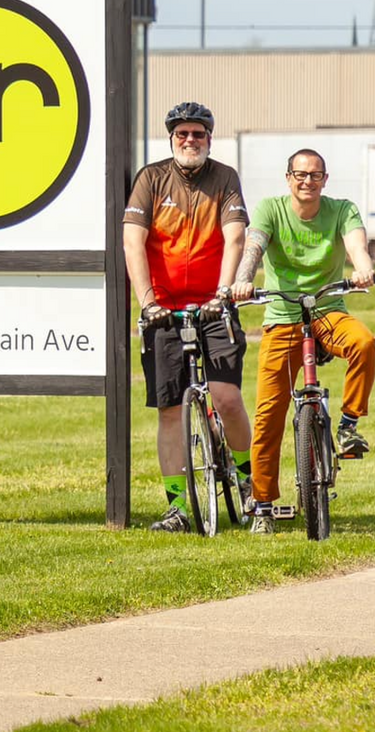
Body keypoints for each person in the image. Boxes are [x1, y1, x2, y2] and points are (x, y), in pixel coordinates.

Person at [230, 148, 375, 535]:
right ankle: (262, 503)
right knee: (268, 415)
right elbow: (254, 247)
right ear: (288, 177)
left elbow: (356, 246)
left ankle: (348, 424)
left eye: (314, 175)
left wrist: (363, 269)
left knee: (364, 343)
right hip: (282, 316)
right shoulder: (271, 209)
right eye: (299, 174)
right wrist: (244, 279)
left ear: (325, 180)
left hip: (328, 309)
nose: (307, 181)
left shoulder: (341, 209)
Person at [123, 102, 252, 534]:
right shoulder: (152, 178)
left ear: (209, 139)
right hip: (164, 309)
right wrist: (146, 301)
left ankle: (250, 485)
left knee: (227, 398)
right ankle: (178, 506)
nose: (190, 141)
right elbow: (132, 241)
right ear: (172, 139)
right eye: (183, 135)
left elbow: (235, 236)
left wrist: (224, 290)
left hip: (213, 305)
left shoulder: (224, 178)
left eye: (198, 134)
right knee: (169, 410)